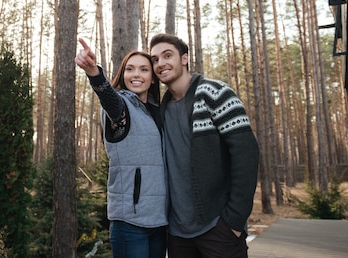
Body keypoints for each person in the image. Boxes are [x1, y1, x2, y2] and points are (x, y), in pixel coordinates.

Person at [149, 33, 259, 258]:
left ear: (184, 58)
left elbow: (246, 155)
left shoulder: (214, 93)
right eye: (155, 59)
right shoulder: (162, 109)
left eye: (167, 55)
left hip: (218, 227)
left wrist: (234, 221)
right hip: (178, 233)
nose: (160, 63)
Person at [75, 38, 167, 258]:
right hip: (130, 222)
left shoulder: (160, 112)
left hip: (161, 221)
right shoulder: (121, 107)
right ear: (123, 75)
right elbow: (109, 99)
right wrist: (94, 73)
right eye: (130, 69)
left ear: (152, 78)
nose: (136, 74)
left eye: (144, 70)